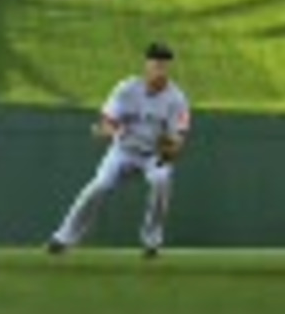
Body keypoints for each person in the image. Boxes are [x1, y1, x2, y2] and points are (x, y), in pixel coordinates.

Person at [47, 43, 191, 259]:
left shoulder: (177, 98)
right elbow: (108, 121)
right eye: (156, 64)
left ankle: (151, 242)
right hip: (123, 151)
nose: (160, 70)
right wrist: (106, 130)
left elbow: (178, 138)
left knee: (161, 181)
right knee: (99, 186)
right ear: (146, 66)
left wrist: (172, 149)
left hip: (153, 156)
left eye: (164, 65)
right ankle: (63, 238)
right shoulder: (127, 88)